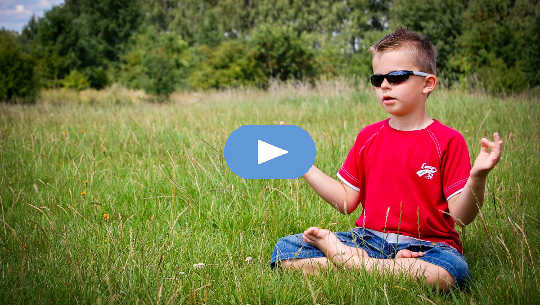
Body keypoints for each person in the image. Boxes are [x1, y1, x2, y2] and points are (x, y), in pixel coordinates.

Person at [270, 28, 503, 291]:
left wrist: (478, 177)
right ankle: (375, 266)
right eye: (377, 79)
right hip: (368, 240)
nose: (384, 85)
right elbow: (347, 201)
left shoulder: (448, 140)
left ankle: (352, 264)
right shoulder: (368, 137)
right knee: (286, 251)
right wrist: (303, 165)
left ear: (428, 83)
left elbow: (460, 218)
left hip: (428, 247)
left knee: (450, 274)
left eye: (397, 77)